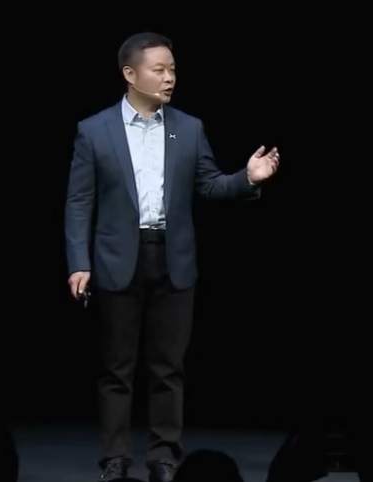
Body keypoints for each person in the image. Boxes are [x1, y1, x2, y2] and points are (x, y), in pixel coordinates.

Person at [65, 32, 280, 481]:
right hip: (116, 259)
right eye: (159, 70)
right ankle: (116, 459)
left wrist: (247, 178)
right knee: (117, 369)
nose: (169, 78)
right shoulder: (94, 130)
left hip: (173, 258)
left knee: (168, 368)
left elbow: (210, 185)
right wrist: (78, 262)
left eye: (173, 69)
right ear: (130, 74)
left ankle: (164, 457)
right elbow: (80, 201)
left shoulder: (188, 128)